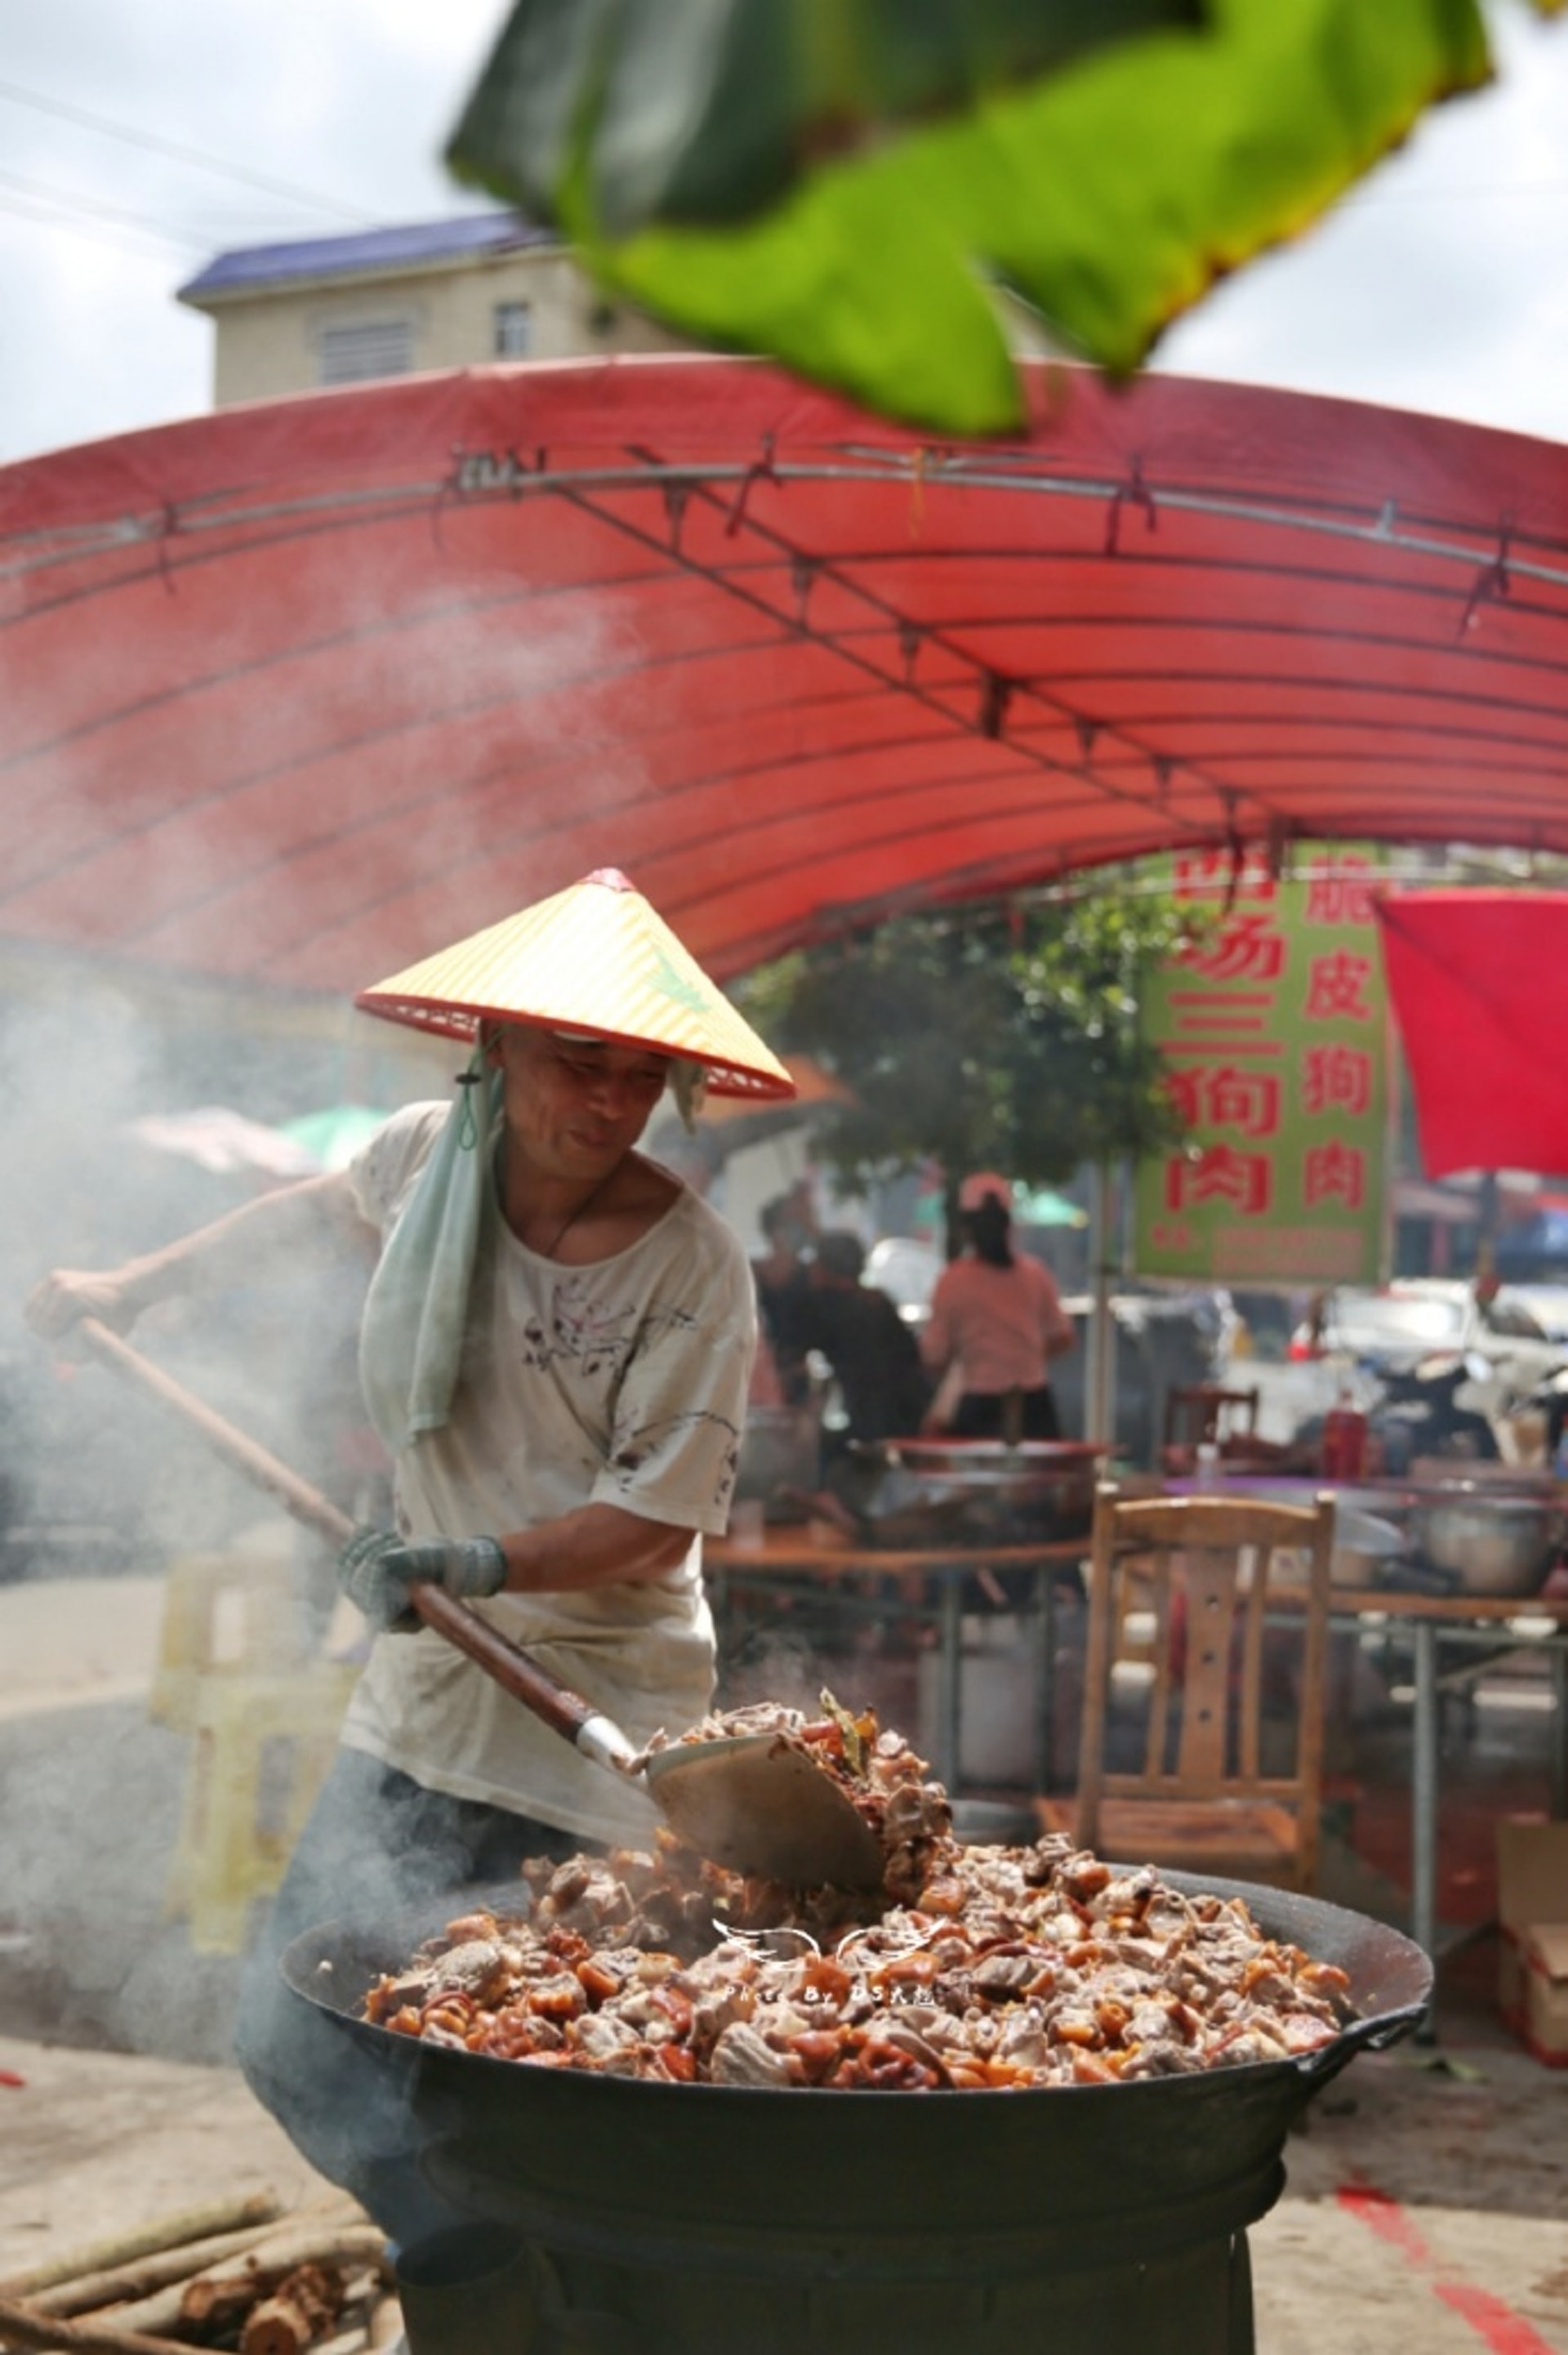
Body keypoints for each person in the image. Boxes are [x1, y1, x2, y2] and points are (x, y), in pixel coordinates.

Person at [24, 865, 793, 2246]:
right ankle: (474, 2261)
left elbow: (655, 1513)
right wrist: (129, 1288)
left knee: (541, 2060)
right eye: (580, 1057)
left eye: (643, 1071)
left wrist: (472, 1558)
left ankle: (515, 2283)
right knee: (295, 2031)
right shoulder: (417, 1158)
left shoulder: (691, 1264)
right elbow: (306, 1215)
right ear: (489, 1043)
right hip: (423, 1699)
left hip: (595, 1727)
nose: (612, 1098)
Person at [920, 1172, 1076, 1441]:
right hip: (1034, 1407)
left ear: (967, 1228)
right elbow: (1063, 1337)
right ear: (1008, 1225)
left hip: (979, 1407)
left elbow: (934, 1357)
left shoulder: (953, 1280)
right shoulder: (1034, 1274)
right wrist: (1026, 1356)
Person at [800, 1229, 931, 1446]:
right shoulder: (878, 1301)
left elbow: (801, 1363)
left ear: (825, 1269)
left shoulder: (829, 1307)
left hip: (871, 1427)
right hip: (910, 1418)